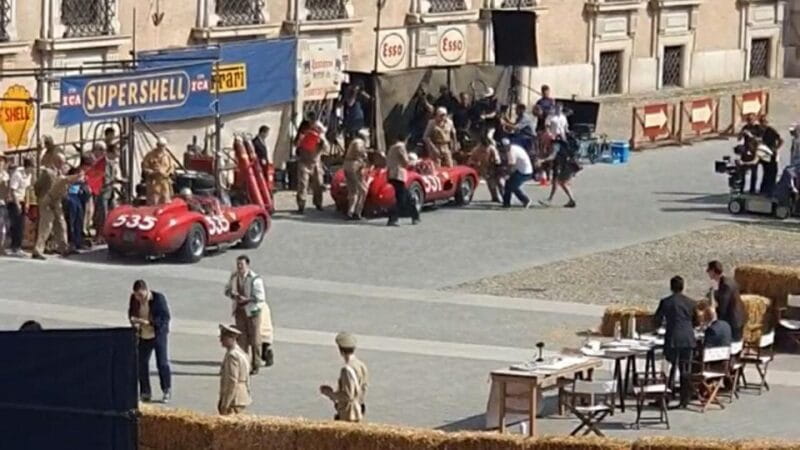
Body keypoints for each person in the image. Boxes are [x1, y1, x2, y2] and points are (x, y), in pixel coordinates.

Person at [224, 255, 272, 375]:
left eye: (242, 264)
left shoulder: (255, 279)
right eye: (238, 264)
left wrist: (247, 300)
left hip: (252, 312)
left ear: (247, 265)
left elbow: (260, 298)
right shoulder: (234, 277)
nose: (239, 267)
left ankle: (256, 364)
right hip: (240, 311)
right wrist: (233, 294)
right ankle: (243, 363)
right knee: (242, 339)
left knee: (255, 339)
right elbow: (227, 290)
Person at [654, 276, 697, 408]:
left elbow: (657, 320)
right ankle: (685, 398)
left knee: (670, 368)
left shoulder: (666, 302)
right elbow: (696, 322)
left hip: (672, 338)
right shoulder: (691, 302)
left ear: (671, 287)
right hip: (688, 338)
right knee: (685, 368)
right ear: (683, 287)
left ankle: (666, 396)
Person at [32, 153, 84, 260]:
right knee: (46, 226)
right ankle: (38, 250)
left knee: (61, 224)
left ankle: (63, 247)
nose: (63, 164)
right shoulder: (47, 172)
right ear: (56, 161)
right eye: (61, 162)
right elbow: (37, 186)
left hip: (56, 201)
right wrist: (42, 197)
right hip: (47, 200)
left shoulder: (60, 172)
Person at [128, 279, 172, 403]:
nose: (139, 299)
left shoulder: (158, 299)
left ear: (146, 291)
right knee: (141, 363)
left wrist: (149, 323)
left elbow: (165, 318)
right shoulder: (134, 299)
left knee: (162, 363)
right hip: (143, 335)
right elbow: (131, 312)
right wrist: (134, 321)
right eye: (137, 296)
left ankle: (166, 389)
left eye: (141, 296)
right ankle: (145, 392)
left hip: (157, 334)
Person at [319, 332, 369, 422]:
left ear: (340, 350)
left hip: (348, 414)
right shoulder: (361, 365)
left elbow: (347, 396)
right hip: (358, 411)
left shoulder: (346, 369)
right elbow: (363, 388)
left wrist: (330, 393)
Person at [217, 324, 252, 415]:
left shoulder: (232, 356)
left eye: (223, 338)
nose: (221, 341)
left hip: (234, 399)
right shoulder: (242, 353)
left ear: (232, 339)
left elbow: (232, 381)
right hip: (242, 396)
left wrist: (226, 403)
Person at [706, 260, 745, 342]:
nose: (707, 273)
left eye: (709, 270)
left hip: (733, 321)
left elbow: (723, 307)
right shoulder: (729, 280)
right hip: (738, 318)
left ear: (713, 271)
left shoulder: (725, 285)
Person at [538, 132, 579, 208]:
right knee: (561, 182)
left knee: (558, 181)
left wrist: (542, 160)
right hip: (568, 165)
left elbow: (552, 156)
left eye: (543, 138)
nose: (542, 140)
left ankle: (550, 200)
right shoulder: (557, 144)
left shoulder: (555, 145)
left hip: (568, 165)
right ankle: (571, 200)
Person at [386, 141, 420, 226]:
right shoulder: (400, 147)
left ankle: (415, 216)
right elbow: (405, 162)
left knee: (406, 196)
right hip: (398, 175)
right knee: (402, 198)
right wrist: (414, 162)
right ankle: (393, 218)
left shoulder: (392, 147)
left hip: (392, 174)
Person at [295, 121, 326, 214]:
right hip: (304, 163)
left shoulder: (320, 138)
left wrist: (321, 139)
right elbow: (297, 149)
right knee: (303, 185)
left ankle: (318, 203)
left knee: (319, 184)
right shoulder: (303, 136)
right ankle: (301, 205)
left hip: (316, 163)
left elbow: (326, 148)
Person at [7, 158, 33, 256]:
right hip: (14, 201)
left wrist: (27, 202)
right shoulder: (17, 174)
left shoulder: (29, 175)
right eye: (31, 167)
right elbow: (13, 190)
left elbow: (27, 189)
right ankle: (14, 247)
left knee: (21, 225)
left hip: (22, 200)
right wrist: (17, 204)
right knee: (16, 224)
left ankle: (18, 246)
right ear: (27, 167)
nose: (32, 170)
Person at [468, 135, 504, 203]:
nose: (485, 148)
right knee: (474, 183)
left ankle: (497, 197)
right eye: (483, 146)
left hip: (490, 167)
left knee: (494, 183)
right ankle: (469, 197)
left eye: (486, 146)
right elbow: (470, 160)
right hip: (479, 168)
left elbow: (497, 160)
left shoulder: (492, 149)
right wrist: (475, 163)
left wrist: (495, 163)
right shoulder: (476, 150)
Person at [63, 167, 92, 251]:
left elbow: (86, 194)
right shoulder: (68, 182)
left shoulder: (82, 185)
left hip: (78, 200)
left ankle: (78, 241)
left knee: (79, 221)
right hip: (71, 200)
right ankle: (71, 241)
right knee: (71, 221)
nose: (82, 177)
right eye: (80, 175)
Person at [142, 137, 176, 206]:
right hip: (153, 183)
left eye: (163, 145)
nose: (162, 147)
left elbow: (172, 167)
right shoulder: (150, 155)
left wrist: (168, 173)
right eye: (160, 145)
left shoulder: (167, 156)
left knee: (165, 203)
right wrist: (153, 172)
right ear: (157, 145)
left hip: (164, 183)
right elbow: (145, 167)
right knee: (154, 203)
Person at [500, 139, 533, 208]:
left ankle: (526, 200)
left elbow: (511, 166)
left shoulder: (512, 151)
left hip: (525, 172)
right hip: (519, 169)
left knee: (512, 186)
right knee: (509, 185)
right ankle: (506, 203)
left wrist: (506, 174)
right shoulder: (512, 148)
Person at [343, 137, 369, 221]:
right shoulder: (359, 142)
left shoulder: (353, 142)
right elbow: (359, 151)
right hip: (355, 165)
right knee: (363, 190)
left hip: (347, 165)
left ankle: (350, 212)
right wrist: (364, 154)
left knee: (352, 191)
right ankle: (358, 212)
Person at [759, 116, 782, 196]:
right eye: (762, 122)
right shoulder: (760, 131)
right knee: (766, 172)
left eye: (764, 122)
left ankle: (770, 190)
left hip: (772, 154)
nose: (763, 123)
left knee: (773, 172)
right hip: (764, 155)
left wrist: (775, 148)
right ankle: (764, 190)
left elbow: (780, 140)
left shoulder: (771, 130)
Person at [0, 156, 9, 255]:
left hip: (2, 203)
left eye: (2, 161)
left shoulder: (5, 175)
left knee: (3, 224)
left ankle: (1, 246)